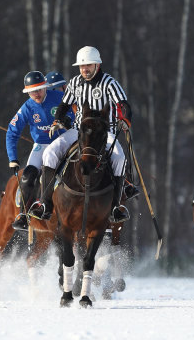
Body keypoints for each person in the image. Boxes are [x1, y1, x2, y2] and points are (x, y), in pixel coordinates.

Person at [28, 46, 132, 224]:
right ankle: (45, 204)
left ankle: (115, 207)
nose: (84, 69)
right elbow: (64, 105)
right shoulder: (75, 82)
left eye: (88, 65)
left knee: (120, 158)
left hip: (105, 132)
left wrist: (125, 120)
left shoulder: (109, 83)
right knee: (50, 152)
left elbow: (124, 105)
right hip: (78, 131)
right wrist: (58, 120)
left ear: (97, 65)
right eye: (82, 66)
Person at [7, 71, 75, 231]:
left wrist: (67, 120)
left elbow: (75, 113)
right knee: (28, 176)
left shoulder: (59, 98)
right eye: (32, 91)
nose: (36, 94)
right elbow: (12, 132)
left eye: (39, 89)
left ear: (46, 87)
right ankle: (23, 215)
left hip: (65, 140)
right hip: (42, 145)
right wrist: (13, 158)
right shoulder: (27, 108)